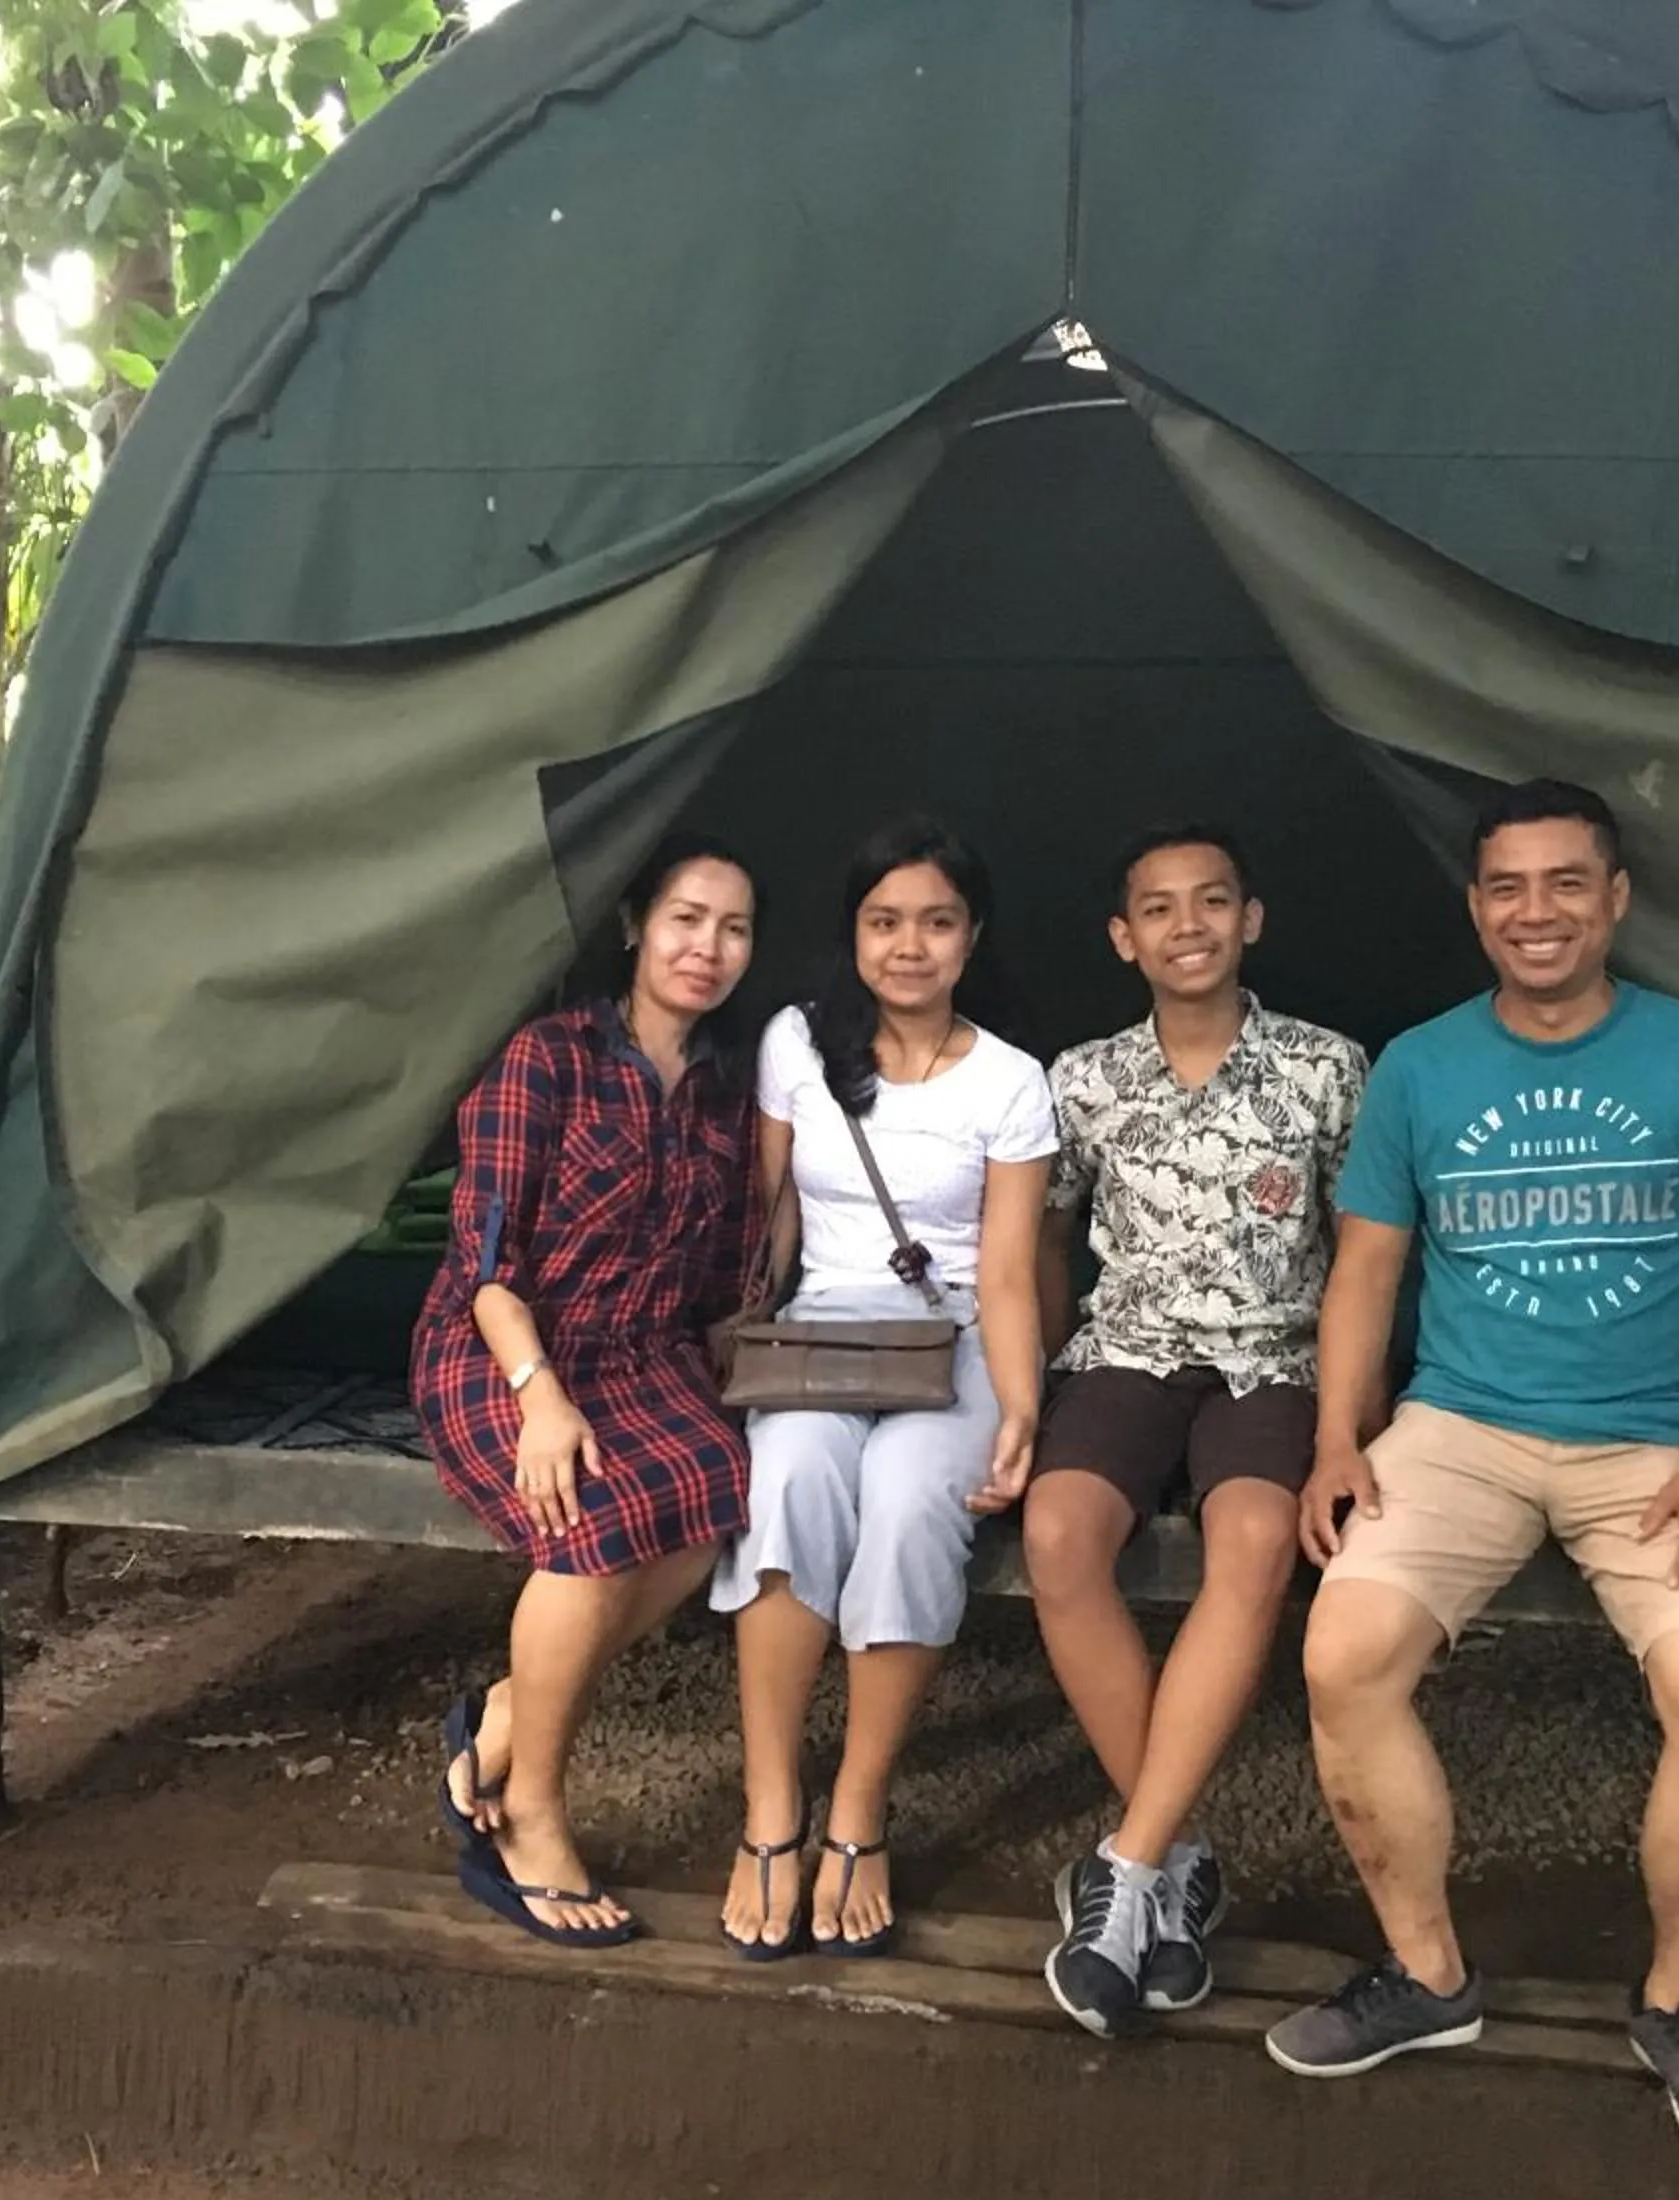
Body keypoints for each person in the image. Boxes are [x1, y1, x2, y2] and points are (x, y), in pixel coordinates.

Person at [1265, 778, 1679, 2169]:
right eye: (1508, 885)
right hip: (1460, 1428)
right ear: (1475, 908)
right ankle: (1428, 1974)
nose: (1536, 910)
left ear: (1616, 898)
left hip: (1653, 1441)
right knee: (1343, 1652)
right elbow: (1366, 1270)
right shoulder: (1424, 1067)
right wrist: (1339, 1436)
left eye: (1568, 881)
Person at [1025, 826, 1367, 2035]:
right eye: (1159, 910)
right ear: (1125, 939)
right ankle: (1171, 1870)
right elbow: (1048, 1246)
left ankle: (1122, 1869)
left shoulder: (1329, 1070)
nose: (1188, 926)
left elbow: (1368, 1252)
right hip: (1125, 1354)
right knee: (1059, 1534)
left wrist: (1355, 1414)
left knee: (1258, 1541)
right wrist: (1033, 1390)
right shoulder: (1083, 1078)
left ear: (1251, 918)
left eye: (1212, 901)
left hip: (1271, 1365)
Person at [411, 836, 764, 1947]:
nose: (707, 948)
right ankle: (529, 1813)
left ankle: (506, 1712)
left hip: (645, 1355)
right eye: (686, 918)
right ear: (634, 926)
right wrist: (540, 1395)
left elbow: (719, 1280)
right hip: (506, 1344)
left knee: (719, 1493)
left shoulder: (725, 1096)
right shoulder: (547, 1060)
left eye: (735, 929)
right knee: (594, 1521)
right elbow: (484, 1266)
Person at [714, 820, 1056, 1960]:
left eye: (937, 921)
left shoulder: (1012, 1081)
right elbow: (769, 1220)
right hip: (816, 1332)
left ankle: (858, 1807)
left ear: (972, 938)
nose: (909, 946)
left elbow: (1006, 1272)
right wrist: (728, 1340)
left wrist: (1018, 1408)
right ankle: (773, 1807)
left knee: (915, 1506)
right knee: (793, 1486)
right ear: (853, 932)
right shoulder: (796, 1043)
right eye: (885, 920)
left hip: (945, 1342)